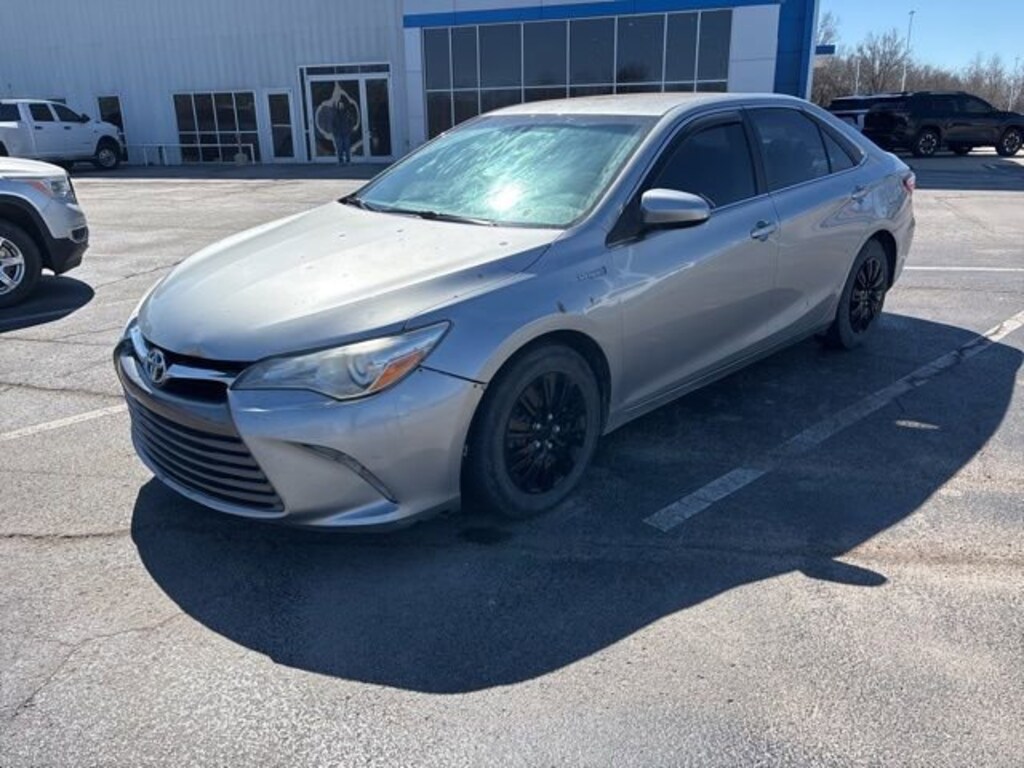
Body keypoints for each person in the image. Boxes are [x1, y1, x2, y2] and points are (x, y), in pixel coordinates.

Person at [331, 98, 355, 165]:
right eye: (340, 105)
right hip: (338, 134)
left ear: (344, 105)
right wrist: (334, 132)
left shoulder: (347, 113)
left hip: (346, 133)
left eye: (342, 105)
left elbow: (352, 122)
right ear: (338, 106)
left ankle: (348, 161)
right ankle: (340, 161)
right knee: (339, 148)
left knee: (347, 148)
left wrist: (350, 130)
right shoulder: (335, 114)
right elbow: (332, 124)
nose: (341, 106)